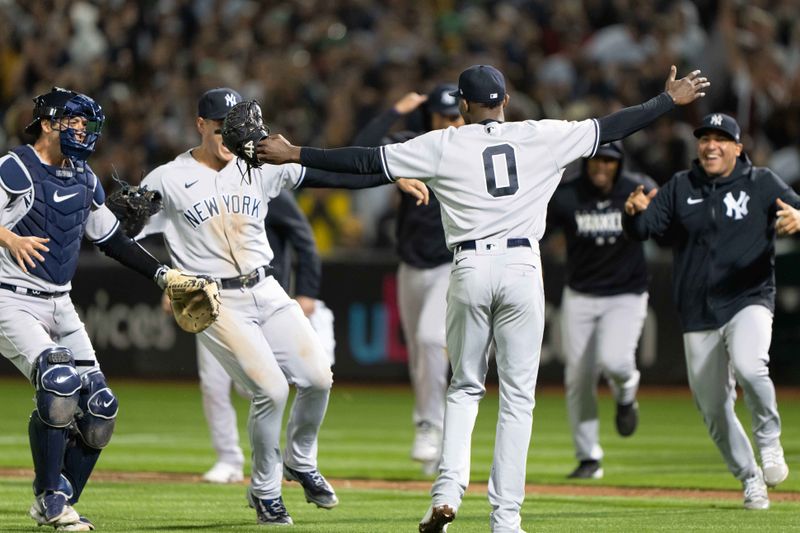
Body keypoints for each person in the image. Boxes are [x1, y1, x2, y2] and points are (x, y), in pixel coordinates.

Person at [255, 64, 709, 533]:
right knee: (517, 399)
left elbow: (366, 162)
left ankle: (447, 493)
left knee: (465, 387)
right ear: (506, 101)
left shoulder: (443, 143)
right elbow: (615, 125)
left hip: (469, 266)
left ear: (464, 106)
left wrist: (296, 153)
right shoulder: (542, 135)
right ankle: (506, 519)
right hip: (520, 266)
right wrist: (666, 101)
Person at [138, 88, 427, 526]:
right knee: (270, 390)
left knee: (317, 378)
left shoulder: (259, 167)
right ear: (200, 124)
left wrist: (390, 176)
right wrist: (163, 277)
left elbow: (335, 174)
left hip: (267, 288)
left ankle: (300, 460)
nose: (228, 136)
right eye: (220, 128)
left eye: (234, 127)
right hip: (215, 300)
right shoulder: (167, 178)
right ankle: (265, 491)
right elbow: (116, 234)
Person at [0, 87, 192, 532]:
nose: (82, 131)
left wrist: (164, 275)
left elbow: (112, 240)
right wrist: (10, 238)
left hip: (59, 301)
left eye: (86, 124)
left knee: (101, 406)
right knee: (58, 380)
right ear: (48, 124)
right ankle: (50, 499)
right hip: (10, 298)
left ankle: (61, 497)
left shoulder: (83, 176)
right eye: (74, 122)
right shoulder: (17, 167)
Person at [623, 112, 799, 510]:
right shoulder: (681, 186)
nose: (711, 145)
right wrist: (632, 215)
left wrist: (799, 216)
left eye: (722, 139)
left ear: (739, 147)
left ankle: (769, 442)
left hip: (748, 298)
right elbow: (647, 227)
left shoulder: (762, 183)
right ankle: (750, 477)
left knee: (752, 366)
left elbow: (799, 210)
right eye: (705, 138)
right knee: (713, 410)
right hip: (698, 309)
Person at [351, 84, 464, 474]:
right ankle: (439, 441)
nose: (450, 123)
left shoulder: (472, 146)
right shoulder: (414, 144)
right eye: (442, 116)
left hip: (453, 264)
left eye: (455, 115)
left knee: (433, 341)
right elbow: (361, 151)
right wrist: (394, 110)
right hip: (411, 266)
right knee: (420, 355)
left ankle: (429, 425)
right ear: (429, 116)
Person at [195, 188, 336, 485]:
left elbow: (304, 238)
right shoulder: (199, 190)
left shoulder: (263, 190)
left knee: (265, 386)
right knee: (213, 383)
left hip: (263, 302)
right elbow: (187, 240)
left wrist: (308, 290)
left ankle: (294, 459)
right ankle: (228, 458)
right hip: (209, 300)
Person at [545, 142, 657, 479]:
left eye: (608, 160)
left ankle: (626, 394)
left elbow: (662, 226)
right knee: (577, 377)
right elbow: (539, 232)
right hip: (580, 293)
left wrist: (647, 209)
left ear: (619, 164)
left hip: (625, 293)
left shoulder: (637, 188)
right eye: (595, 160)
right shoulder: (566, 194)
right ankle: (588, 457)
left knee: (616, 362)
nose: (601, 167)